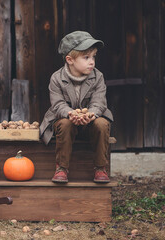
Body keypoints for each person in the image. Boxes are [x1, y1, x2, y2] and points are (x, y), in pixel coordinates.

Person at [39, 31, 113, 183]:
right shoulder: (57, 78)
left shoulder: (97, 77)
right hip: (67, 119)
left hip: (91, 121)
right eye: (86, 57)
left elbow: (99, 102)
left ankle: (100, 168)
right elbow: (58, 104)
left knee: (102, 123)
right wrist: (70, 114)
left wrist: (91, 114)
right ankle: (62, 168)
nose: (92, 61)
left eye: (94, 56)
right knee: (65, 124)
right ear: (70, 59)